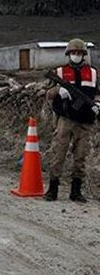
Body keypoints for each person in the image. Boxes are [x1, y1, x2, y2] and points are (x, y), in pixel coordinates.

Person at [43, 38, 99, 202]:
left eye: (79, 53)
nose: (76, 55)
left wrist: (97, 103)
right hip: (66, 119)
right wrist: (58, 90)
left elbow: (97, 92)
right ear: (69, 54)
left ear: (83, 54)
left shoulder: (94, 72)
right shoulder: (59, 72)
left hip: (86, 120)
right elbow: (47, 93)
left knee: (81, 155)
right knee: (58, 153)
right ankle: (52, 189)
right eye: (73, 52)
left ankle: (76, 191)